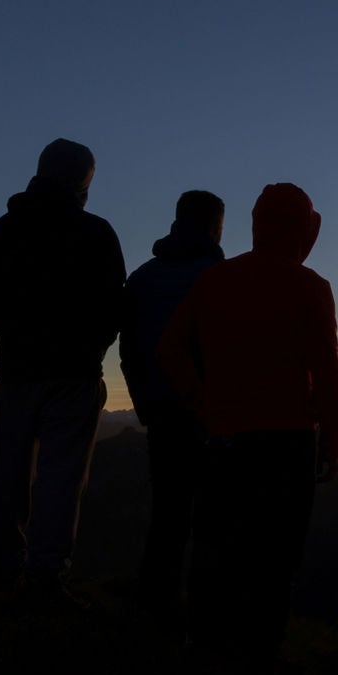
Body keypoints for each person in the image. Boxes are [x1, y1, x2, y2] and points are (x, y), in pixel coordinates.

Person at [158, 182, 338, 675]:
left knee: (217, 542)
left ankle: (204, 645)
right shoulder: (311, 287)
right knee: (276, 553)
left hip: (224, 438)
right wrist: (332, 443)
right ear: (304, 230)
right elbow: (327, 372)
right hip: (289, 442)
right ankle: (261, 654)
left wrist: (203, 402)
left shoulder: (217, 281)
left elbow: (170, 351)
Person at [0, 139, 126, 595]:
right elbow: (116, 304)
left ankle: (1, 563)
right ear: (82, 181)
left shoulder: (3, 230)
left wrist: (11, 325)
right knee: (62, 477)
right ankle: (46, 575)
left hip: (16, 367)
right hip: (75, 373)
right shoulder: (96, 233)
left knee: (10, 470)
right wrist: (93, 342)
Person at [119, 189, 225, 614]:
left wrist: (143, 401)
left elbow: (129, 350)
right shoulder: (221, 278)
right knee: (214, 517)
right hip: (213, 413)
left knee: (168, 514)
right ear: (215, 226)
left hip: (160, 410)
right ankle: (204, 613)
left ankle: (154, 606)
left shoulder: (142, 278)